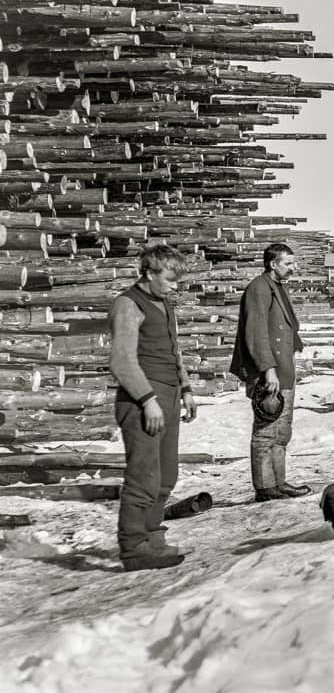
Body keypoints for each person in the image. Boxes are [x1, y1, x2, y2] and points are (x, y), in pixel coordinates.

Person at [108, 244, 197, 572]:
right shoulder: (128, 305)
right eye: (170, 279)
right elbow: (121, 360)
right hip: (141, 401)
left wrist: (186, 388)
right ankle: (134, 546)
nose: (175, 286)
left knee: (165, 475)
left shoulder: (164, 305)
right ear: (148, 273)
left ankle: (152, 536)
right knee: (143, 476)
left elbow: (175, 353)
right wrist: (146, 400)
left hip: (169, 396)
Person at [230, 243, 311, 502]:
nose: (293, 268)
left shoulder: (276, 288)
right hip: (269, 373)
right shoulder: (259, 289)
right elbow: (256, 333)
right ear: (272, 264)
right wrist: (267, 370)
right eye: (288, 263)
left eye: (293, 263)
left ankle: (279, 481)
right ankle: (265, 487)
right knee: (266, 430)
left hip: (282, 369)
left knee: (281, 430)